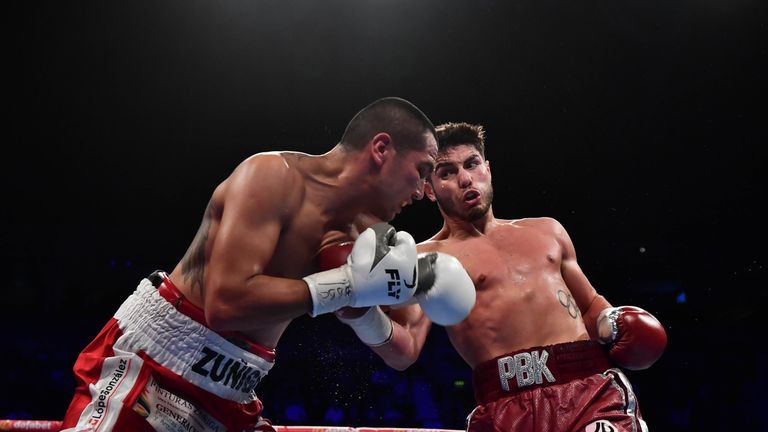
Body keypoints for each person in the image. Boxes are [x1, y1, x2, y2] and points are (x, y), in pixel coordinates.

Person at [60, 97, 463, 432]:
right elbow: (226, 305)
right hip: (158, 363)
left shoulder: (369, 238)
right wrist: (343, 287)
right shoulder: (273, 178)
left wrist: (362, 315)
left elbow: (403, 351)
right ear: (381, 149)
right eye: (422, 171)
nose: (423, 191)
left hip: (234, 392)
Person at [334, 122, 667, 431]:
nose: (465, 179)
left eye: (472, 164)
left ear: (488, 169)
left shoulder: (548, 230)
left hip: (590, 393)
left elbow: (591, 304)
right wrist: (362, 318)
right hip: (505, 407)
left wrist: (613, 320)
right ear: (429, 189)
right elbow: (404, 351)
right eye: (447, 172)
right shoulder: (423, 259)